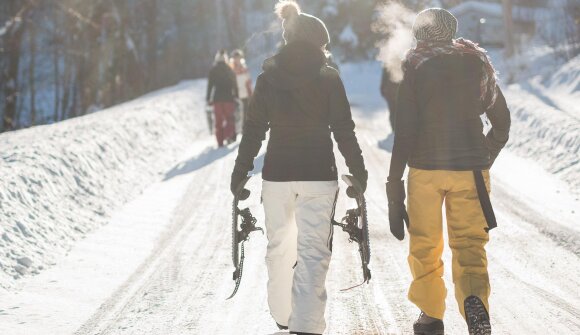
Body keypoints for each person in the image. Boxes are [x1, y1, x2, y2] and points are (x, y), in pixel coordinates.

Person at [230, 1, 367, 334]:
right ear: (318, 42)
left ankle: (282, 316)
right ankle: (305, 327)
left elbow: (253, 130)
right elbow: (344, 129)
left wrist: (240, 171)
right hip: (319, 175)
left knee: (279, 248)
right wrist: (358, 170)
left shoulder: (267, 78)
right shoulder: (329, 77)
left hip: (277, 176)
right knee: (312, 253)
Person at [386, 8, 510, 335]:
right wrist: (485, 154)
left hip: (425, 170)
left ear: (420, 33)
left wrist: (393, 181)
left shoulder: (414, 65)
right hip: (470, 168)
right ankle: (474, 301)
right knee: (470, 243)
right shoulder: (477, 62)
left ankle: (430, 316)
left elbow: (406, 130)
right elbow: (502, 122)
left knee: (426, 244)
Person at [206, 49, 238, 147]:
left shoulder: (213, 70)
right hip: (229, 98)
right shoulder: (229, 69)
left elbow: (210, 85)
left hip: (217, 99)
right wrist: (236, 96)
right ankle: (226, 135)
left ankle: (220, 142)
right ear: (225, 59)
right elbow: (235, 84)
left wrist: (208, 98)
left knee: (218, 121)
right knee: (230, 119)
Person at [230, 49, 253, 134]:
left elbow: (249, 81)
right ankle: (235, 131)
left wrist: (251, 92)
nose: (237, 59)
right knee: (236, 114)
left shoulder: (244, 68)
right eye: (236, 58)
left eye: (239, 57)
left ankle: (244, 129)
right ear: (233, 59)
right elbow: (231, 82)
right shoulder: (231, 69)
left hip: (246, 94)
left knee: (245, 112)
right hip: (236, 94)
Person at [380, 67, 399, 132]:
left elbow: (384, 78)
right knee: (396, 111)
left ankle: (394, 128)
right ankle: (395, 129)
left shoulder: (388, 61)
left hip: (390, 92)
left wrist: (382, 89)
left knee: (393, 111)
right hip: (394, 92)